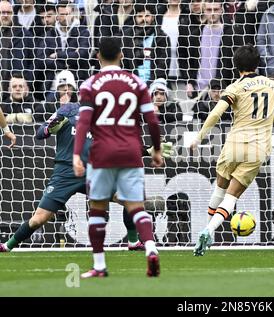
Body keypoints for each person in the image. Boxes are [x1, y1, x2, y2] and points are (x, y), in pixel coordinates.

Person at [0, 83, 173, 253]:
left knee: (131, 198)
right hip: (66, 173)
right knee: (39, 219)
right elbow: (40, 133)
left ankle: (133, 242)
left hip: (95, 173)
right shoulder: (67, 110)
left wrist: (149, 151)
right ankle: (8, 245)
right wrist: (49, 129)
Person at [72, 37, 163, 278]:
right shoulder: (137, 83)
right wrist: (156, 149)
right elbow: (152, 120)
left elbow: (83, 123)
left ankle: (100, 265)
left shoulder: (90, 84)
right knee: (136, 206)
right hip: (131, 151)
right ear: (122, 55)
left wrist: (76, 155)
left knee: (98, 208)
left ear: (98, 56)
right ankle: (151, 249)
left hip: (102, 153)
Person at [191, 45, 274, 256]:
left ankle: (207, 232)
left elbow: (215, 114)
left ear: (236, 66)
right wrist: (265, 121)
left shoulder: (235, 87)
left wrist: (199, 137)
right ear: (258, 64)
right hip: (258, 149)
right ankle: (209, 230)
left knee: (219, 190)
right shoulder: (273, 85)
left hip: (234, 144)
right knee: (231, 197)